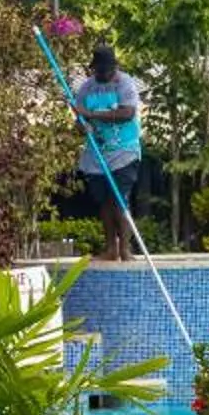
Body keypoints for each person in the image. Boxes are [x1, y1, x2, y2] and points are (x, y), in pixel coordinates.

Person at [68, 41, 145, 263]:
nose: (102, 75)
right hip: (97, 153)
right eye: (99, 71)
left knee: (119, 198)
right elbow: (80, 119)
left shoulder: (125, 83)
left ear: (114, 67)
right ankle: (111, 248)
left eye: (106, 71)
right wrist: (82, 124)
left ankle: (125, 250)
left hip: (124, 151)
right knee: (105, 201)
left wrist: (91, 114)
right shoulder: (86, 88)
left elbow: (127, 113)